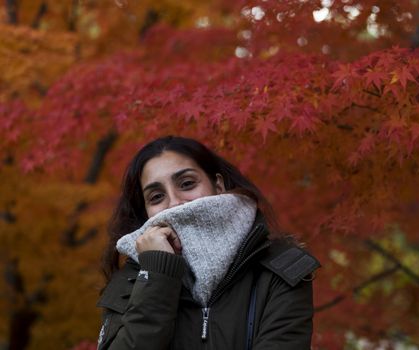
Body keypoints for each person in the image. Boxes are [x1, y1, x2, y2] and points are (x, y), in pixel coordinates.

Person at [96, 136, 320, 349]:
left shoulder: (282, 268)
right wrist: (157, 273)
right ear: (145, 212)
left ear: (218, 185)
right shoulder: (130, 283)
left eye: (186, 183)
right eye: (156, 197)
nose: (174, 203)